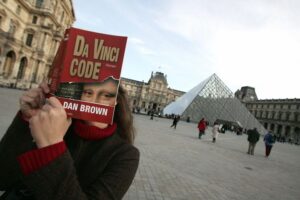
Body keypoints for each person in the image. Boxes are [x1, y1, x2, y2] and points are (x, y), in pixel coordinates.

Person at [0, 78, 140, 199]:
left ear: (115, 101)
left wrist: (52, 147)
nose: (95, 100)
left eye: (105, 95)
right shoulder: (53, 123)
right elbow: (2, 178)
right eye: (88, 92)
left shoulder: (126, 155)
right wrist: (26, 120)